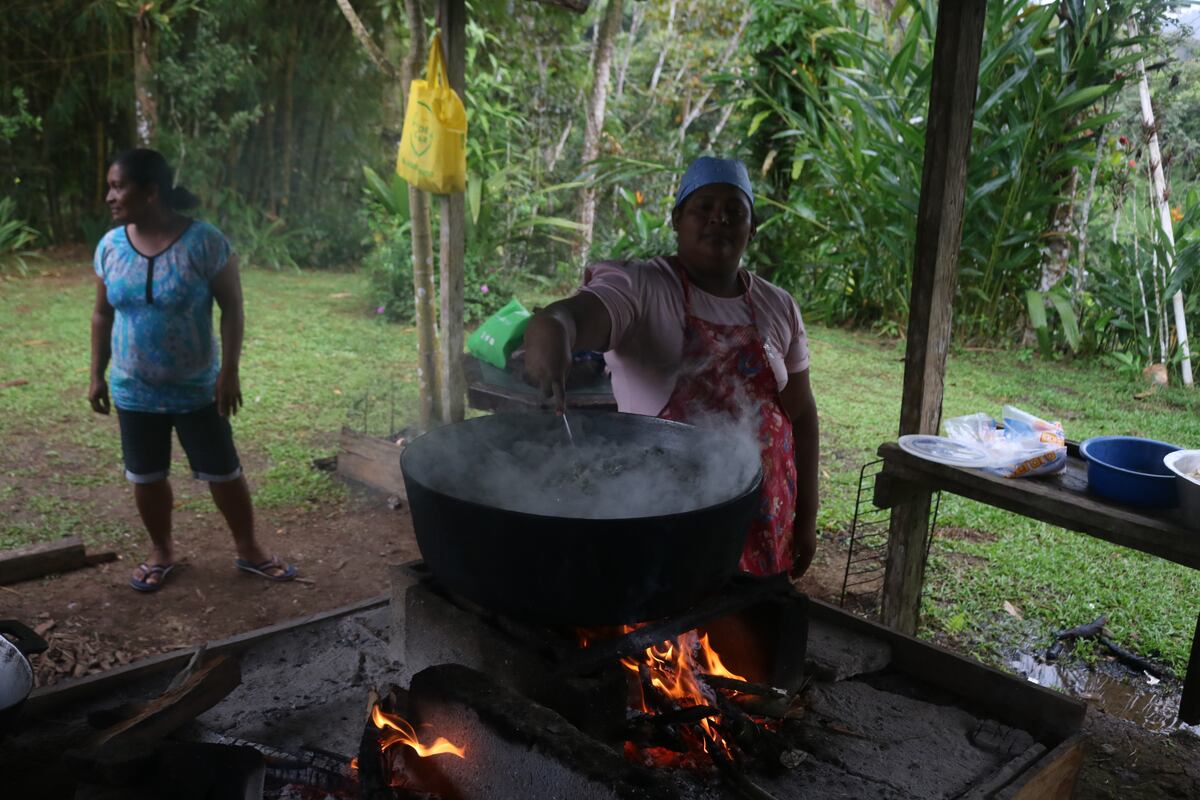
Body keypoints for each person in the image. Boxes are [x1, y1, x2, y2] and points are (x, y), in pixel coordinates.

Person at [523, 157, 819, 578]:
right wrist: (553, 327)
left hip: (764, 511)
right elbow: (579, 314)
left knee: (748, 630)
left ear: (751, 228)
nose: (719, 217)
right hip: (670, 515)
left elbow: (802, 413)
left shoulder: (779, 304)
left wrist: (805, 519)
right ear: (677, 218)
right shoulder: (640, 286)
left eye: (735, 211)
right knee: (673, 632)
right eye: (704, 206)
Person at [89, 148, 297, 592]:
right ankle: (162, 551)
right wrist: (96, 374)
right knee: (146, 475)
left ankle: (249, 549)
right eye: (110, 186)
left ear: (151, 192)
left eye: (118, 186)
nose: (109, 195)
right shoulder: (109, 247)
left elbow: (233, 308)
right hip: (132, 389)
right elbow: (102, 315)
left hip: (198, 388)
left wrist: (230, 372)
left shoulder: (204, 242)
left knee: (223, 472)